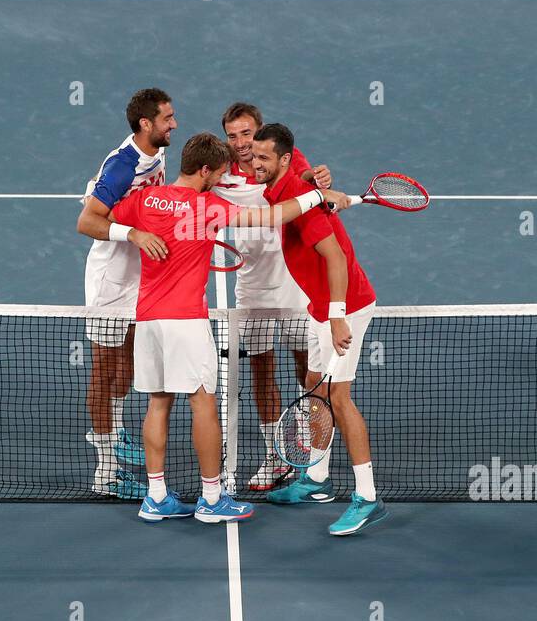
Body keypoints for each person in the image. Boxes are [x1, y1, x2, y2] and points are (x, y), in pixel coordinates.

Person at [78, 132, 352, 524]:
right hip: (187, 324)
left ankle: (156, 497)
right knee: (204, 405)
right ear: (205, 171)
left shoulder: (140, 201)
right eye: (220, 172)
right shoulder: (209, 207)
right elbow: (272, 216)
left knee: (157, 404)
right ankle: (211, 498)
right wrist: (317, 197)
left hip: (148, 321)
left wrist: (134, 232)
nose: (223, 178)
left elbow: (94, 217)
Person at [251, 123, 387, 536]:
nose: (253, 163)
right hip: (319, 305)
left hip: (344, 307)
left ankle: (367, 498)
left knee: (339, 399)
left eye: (263, 158)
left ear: (285, 160)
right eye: (253, 156)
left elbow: (335, 258)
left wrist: (338, 315)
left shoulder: (296, 199)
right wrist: (319, 191)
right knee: (314, 386)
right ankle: (316, 479)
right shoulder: (286, 189)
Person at [218, 102, 332, 491]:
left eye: (246, 133)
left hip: (294, 279)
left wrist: (322, 179)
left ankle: (312, 452)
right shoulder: (221, 171)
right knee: (262, 369)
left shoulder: (285, 159)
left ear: (261, 132)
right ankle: (274, 456)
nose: (240, 143)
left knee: (308, 368)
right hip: (252, 285)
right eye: (232, 136)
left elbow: (309, 178)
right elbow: (190, 193)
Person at [76, 88, 176, 497]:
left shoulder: (158, 152)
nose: (174, 124)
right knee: (103, 368)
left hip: (141, 274)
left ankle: (116, 431)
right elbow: (87, 221)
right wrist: (133, 232)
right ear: (145, 124)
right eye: (168, 118)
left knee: (128, 362)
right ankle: (105, 471)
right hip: (111, 281)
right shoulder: (124, 165)